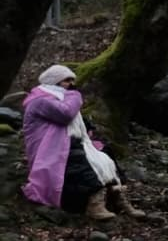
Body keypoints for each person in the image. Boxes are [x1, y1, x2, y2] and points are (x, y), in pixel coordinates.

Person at [21, 65, 138, 221]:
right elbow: (66, 114)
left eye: (72, 80)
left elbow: (75, 121)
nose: (71, 84)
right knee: (79, 158)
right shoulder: (39, 100)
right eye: (67, 80)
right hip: (49, 148)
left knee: (105, 155)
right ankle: (94, 204)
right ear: (54, 81)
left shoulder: (59, 98)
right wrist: (74, 96)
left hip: (66, 142)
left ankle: (116, 197)